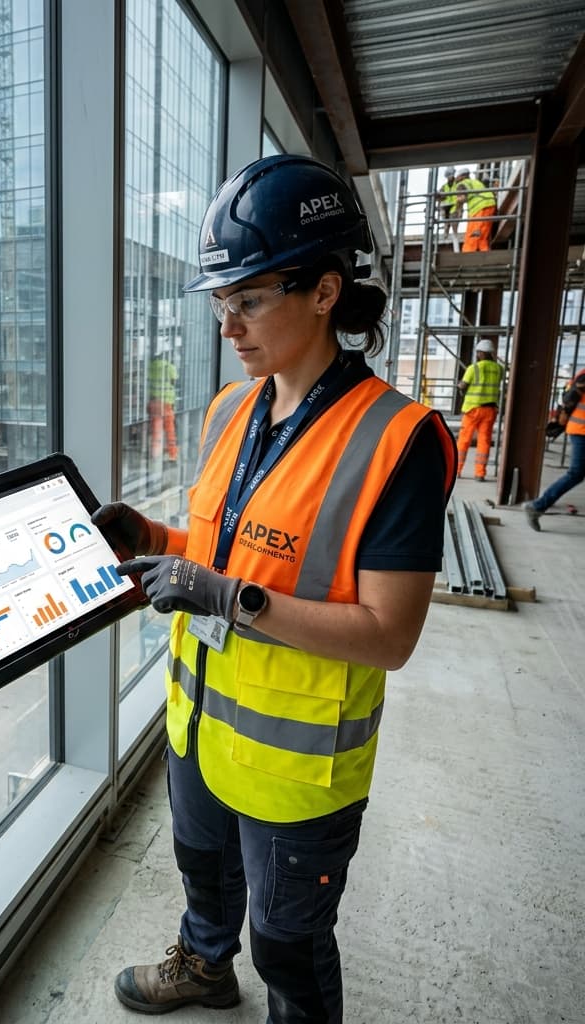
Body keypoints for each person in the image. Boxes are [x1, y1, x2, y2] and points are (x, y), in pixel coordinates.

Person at [93, 154, 456, 1023]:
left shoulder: (396, 441)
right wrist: (153, 540)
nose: (230, 326)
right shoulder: (231, 410)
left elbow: (388, 635)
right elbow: (226, 551)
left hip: (300, 768)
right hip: (199, 723)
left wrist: (227, 602)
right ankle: (204, 968)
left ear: (325, 291)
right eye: (222, 303)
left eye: (249, 300)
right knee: (204, 885)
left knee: (289, 943)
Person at [524, 368, 585, 530]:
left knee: (577, 473)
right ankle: (537, 506)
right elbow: (570, 399)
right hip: (581, 431)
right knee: (576, 473)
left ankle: (537, 507)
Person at [455, 338, 504, 480]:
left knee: (464, 440)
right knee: (484, 440)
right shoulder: (498, 369)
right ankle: (480, 473)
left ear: (481, 353)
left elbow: (463, 385)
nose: (477, 355)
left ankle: (457, 470)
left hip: (473, 409)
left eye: (478, 353)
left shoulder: (473, 368)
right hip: (490, 410)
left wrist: (459, 386)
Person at [454, 168, 497, 252]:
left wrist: (457, 207)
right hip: (487, 206)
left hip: (479, 209)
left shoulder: (463, 183)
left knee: (473, 236)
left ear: (461, 176)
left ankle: (467, 257)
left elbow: (462, 196)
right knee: (482, 236)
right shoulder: (476, 182)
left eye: (457, 177)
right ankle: (484, 255)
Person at [148, 354, 180, 461]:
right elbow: (174, 380)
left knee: (156, 430)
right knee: (170, 430)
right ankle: (172, 454)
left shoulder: (151, 366)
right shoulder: (169, 366)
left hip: (154, 402)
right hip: (167, 403)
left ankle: (155, 454)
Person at [437, 166, 460, 251]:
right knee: (446, 227)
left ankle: (456, 249)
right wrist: (440, 196)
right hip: (445, 208)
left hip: (455, 208)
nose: (449, 177)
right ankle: (444, 241)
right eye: (447, 176)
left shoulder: (458, 184)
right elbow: (439, 197)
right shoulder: (444, 186)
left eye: (450, 175)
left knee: (454, 230)